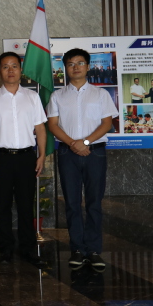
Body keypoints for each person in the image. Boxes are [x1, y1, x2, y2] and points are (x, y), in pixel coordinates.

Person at [48, 48, 118, 270]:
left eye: (80, 63)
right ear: (65, 68)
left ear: (88, 66)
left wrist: (85, 142)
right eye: (70, 64)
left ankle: (94, 250)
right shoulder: (57, 96)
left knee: (94, 202)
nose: (75, 67)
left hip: (95, 152)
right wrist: (73, 144)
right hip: (67, 153)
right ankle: (77, 249)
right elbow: (52, 125)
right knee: (71, 202)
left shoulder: (101, 94)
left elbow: (107, 123)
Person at [0, 52, 47, 267]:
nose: (10, 70)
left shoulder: (32, 97)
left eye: (14, 66)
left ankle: (28, 248)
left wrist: (42, 155)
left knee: (26, 205)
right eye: (5, 66)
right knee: (3, 205)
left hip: (26, 157)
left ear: (20, 69)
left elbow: (40, 129)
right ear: (0, 71)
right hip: (1, 158)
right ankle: (6, 249)